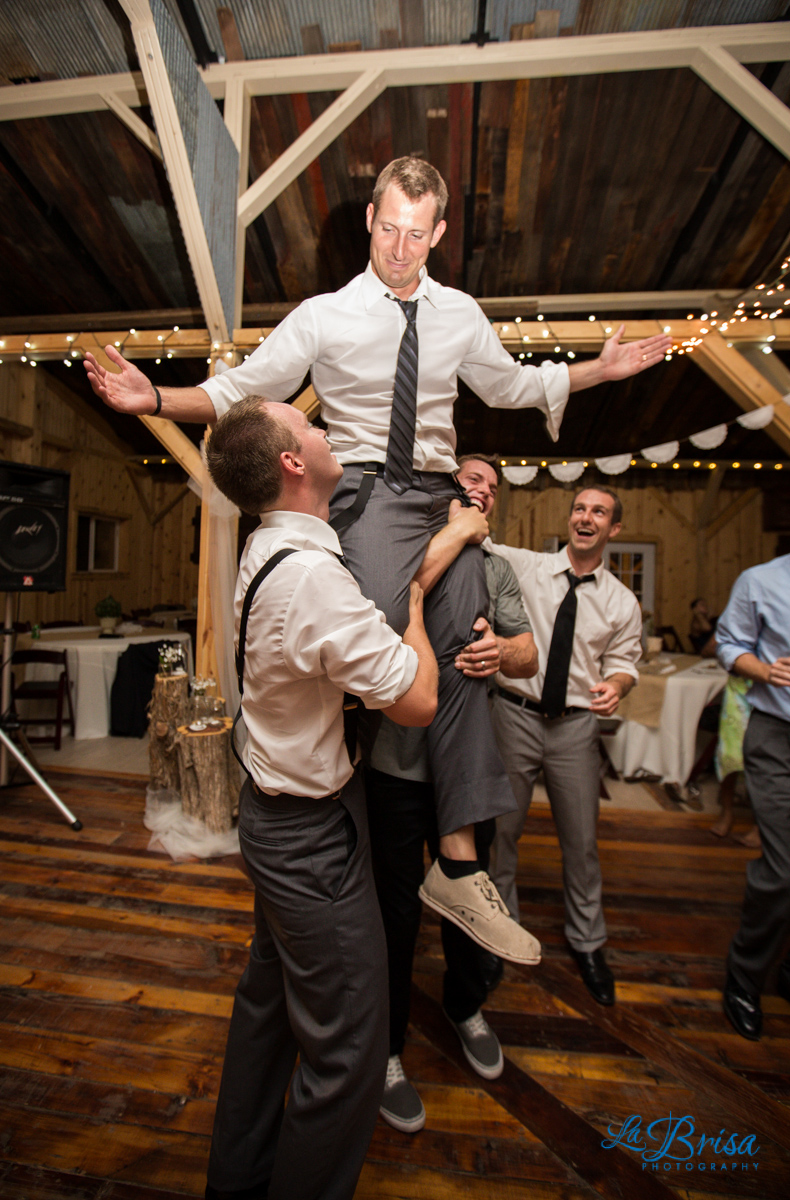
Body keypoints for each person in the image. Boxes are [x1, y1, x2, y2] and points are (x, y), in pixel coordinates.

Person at [83, 157, 669, 958]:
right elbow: (241, 389)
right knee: (380, 649)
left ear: (439, 233)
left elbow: (510, 387)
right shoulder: (324, 316)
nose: (399, 247)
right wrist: (152, 398)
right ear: (370, 219)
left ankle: (457, 864)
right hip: (367, 491)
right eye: (389, 228)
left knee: (466, 644)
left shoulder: (459, 314)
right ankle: (343, 816)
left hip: (438, 489)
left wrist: (599, 368)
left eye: (416, 234)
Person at [201, 394, 439, 1200]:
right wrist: (413, 615)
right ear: (293, 463)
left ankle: (237, 1183)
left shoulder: (271, 544)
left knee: (269, 1014)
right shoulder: (309, 576)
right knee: (348, 1051)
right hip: (307, 839)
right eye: (309, 427)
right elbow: (417, 700)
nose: (326, 430)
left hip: (275, 817)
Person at [368, 454, 538, 1132]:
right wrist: (457, 533)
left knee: (472, 900)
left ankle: (466, 1008)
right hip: (394, 767)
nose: (482, 491)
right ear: (444, 484)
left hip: (467, 768)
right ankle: (386, 1049)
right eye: (472, 479)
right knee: (394, 914)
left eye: (492, 488)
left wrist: (501, 651)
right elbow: (393, 603)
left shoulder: (496, 570)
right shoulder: (398, 549)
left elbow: (529, 652)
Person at [486, 486, 642, 1006]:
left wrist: (617, 684)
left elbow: (625, 661)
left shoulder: (621, 601)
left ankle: (588, 942)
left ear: (613, 529)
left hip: (575, 728)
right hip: (514, 715)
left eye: (598, 512)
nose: (585, 517)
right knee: (501, 833)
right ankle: (499, 930)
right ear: (570, 519)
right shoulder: (527, 567)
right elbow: (479, 541)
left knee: (581, 841)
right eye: (579, 508)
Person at [715, 482, 790, 1041]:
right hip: (778, 737)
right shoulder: (762, 580)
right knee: (786, 870)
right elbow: (728, 644)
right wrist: (766, 670)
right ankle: (745, 977)